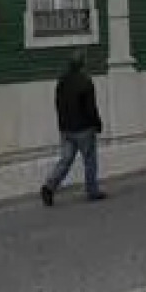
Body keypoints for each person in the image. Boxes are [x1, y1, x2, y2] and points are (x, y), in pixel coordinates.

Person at [39, 50, 106, 206]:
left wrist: (62, 124)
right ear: (83, 64)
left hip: (66, 128)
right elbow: (91, 108)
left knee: (65, 160)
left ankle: (49, 186)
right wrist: (97, 123)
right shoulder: (86, 82)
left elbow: (58, 104)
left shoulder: (62, 81)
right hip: (83, 128)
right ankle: (92, 190)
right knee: (89, 161)